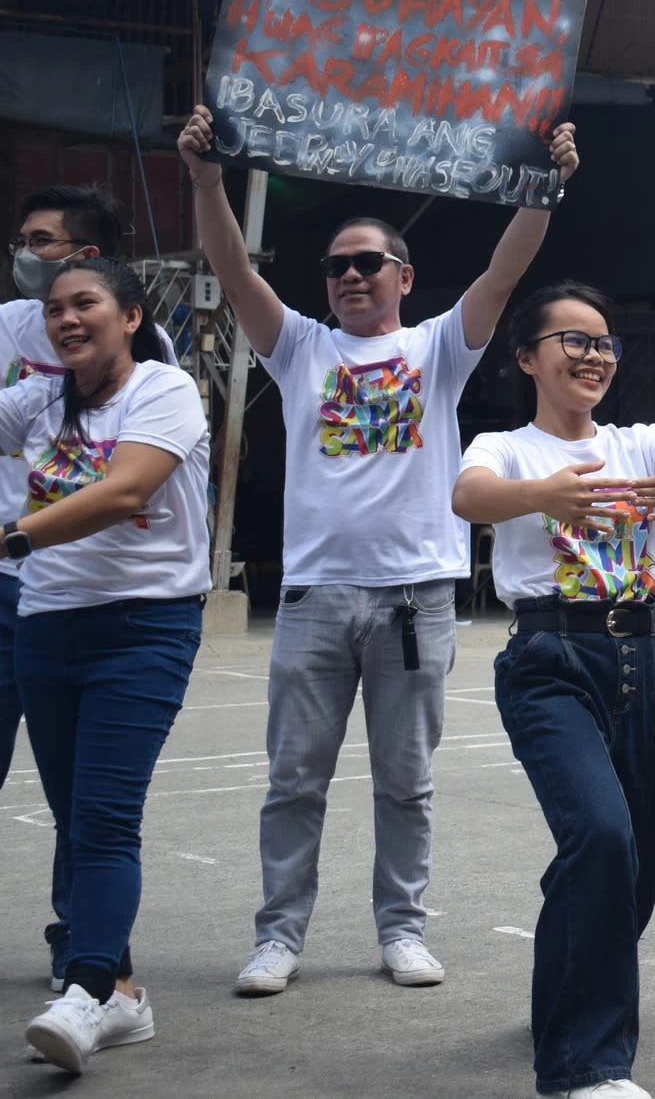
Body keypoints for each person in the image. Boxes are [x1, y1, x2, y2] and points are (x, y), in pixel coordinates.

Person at [180, 104, 576, 996]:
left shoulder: (438, 345)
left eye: (369, 262)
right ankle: (278, 936)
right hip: (317, 597)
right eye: (337, 265)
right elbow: (232, 269)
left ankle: (402, 927)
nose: (353, 275)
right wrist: (207, 178)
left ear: (404, 275)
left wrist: (544, 187)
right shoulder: (298, 347)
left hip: (413, 600)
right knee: (293, 780)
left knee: (406, 782)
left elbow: (505, 271)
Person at [453, 283, 655, 1099]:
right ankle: (587, 1065)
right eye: (573, 340)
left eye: (604, 342)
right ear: (527, 357)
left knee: (629, 859)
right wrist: (544, 494)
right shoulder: (504, 447)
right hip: (551, 658)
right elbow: (469, 497)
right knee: (602, 836)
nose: (594, 354)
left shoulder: (640, 440)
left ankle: (566, 993)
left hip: (643, 658)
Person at [5, 258, 210, 1074]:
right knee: (77, 820)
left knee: (104, 814)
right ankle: (121, 991)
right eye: (54, 309)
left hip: (143, 627)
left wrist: (12, 537)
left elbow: (128, 490)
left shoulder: (165, 390)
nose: (66, 319)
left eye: (84, 303)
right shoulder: (36, 400)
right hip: (46, 627)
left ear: (129, 315)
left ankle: (87, 991)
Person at [0, 183, 127, 990]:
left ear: (86, 257)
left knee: (80, 793)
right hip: (4, 583)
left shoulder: (143, 360)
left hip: (75, 590)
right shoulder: (7, 327)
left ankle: (78, 935)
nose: (23, 251)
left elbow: (135, 472)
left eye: (40, 240)